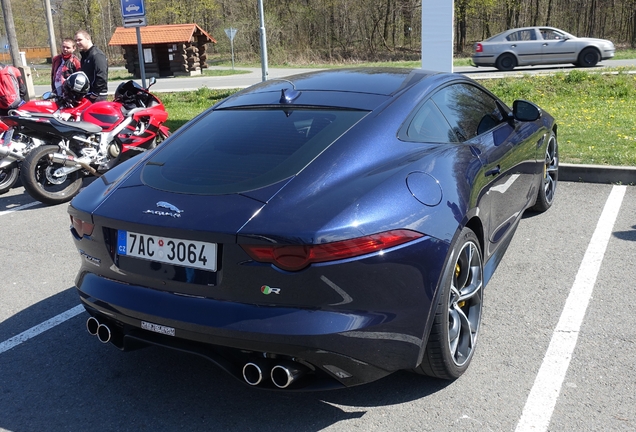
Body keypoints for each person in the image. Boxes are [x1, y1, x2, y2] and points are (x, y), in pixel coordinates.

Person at [74, 30, 108, 102]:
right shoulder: (85, 56)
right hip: (88, 94)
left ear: (88, 39)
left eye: (80, 40)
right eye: (76, 40)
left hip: (97, 96)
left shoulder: (97, 55)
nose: (77, 43)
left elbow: (102, 75)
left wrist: (95, 93)